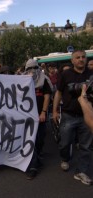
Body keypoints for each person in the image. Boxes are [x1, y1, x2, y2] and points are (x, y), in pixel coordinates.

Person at [52, 50, 93, 185]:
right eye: (78, 57)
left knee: (86, 146)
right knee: (65, 142)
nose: (81, 59)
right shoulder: (65, 74)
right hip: (68, 115)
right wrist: (55, 110)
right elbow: (58, 93)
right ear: (72, 61)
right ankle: (65, 158)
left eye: (83, 57)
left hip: (86, 116)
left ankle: (81, 171)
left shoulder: (91, 74)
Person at [23, 59, 52, 179]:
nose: (32, 71)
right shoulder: (22, 80)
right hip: (27, 116)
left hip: (40, 115)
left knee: (40, 138)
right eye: (29, 69)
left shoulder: (44, 79)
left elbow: (47, 97)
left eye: (34, 68)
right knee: (31, 140)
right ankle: (33, 165)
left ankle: (38, 156)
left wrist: (43, 112)